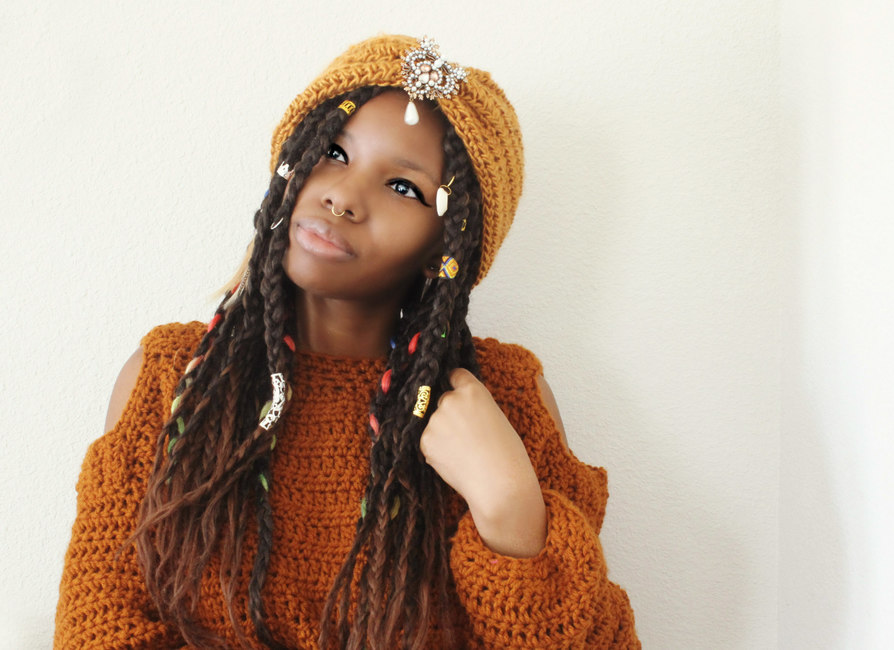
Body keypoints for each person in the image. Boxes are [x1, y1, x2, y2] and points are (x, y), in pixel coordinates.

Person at [54, 34, 639, 649]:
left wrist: (510, 508)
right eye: (334, 152)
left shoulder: (504, 400)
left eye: (404, 187)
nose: (342, 196)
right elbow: (96, 632)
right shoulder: (173, 380)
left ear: (448, 245)